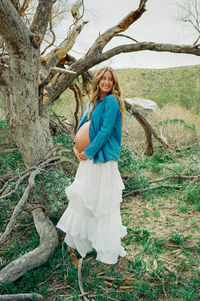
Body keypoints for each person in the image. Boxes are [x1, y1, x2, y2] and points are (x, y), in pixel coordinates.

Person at [57, 66, 127, 264]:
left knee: (101, 203)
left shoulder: (112, 101)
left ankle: (104, 244)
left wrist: (87, 152)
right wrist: (75, 147)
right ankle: (84, 242)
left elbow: (105, 132)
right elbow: (81, 127)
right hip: (87, 159)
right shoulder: (93, 102)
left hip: (102, 159)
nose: (106, 82)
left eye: (110, 80)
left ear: (114, 83)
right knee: (86, 200)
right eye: (103, 78)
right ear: (98, 81)